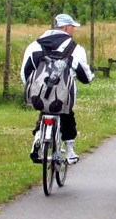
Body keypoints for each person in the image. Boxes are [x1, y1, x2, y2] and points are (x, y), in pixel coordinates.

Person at [21, 13, 94, 164]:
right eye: (72, 27)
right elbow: (84, 74)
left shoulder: (35, 45)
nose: (73, 30)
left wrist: (32, 88)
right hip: (62, 95)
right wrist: (87, 79)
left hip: (38, 94)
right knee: (67, 113)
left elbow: (25, 72)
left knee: (44, 111)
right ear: (66, 27)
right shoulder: (75, 48)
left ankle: (38, 137)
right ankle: (69, 150)